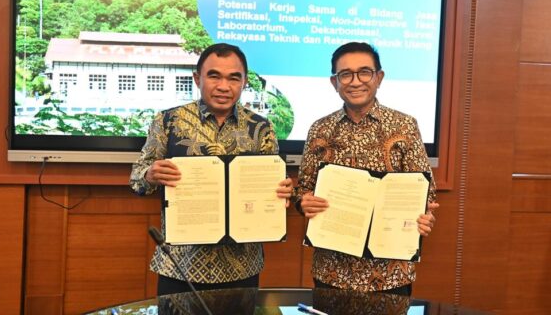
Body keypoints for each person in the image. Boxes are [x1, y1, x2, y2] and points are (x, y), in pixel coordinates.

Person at [130, 43, 293, 295]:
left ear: (244, 82)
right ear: (198, 78)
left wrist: (282, 191)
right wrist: (150, 174)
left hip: (243, 266)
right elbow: (137, 180)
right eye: (214, 76)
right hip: (180, 265)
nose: (223, 86)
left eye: (233, 78)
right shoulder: (168, 121)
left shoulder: (261, 127)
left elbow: (271, 184)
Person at [294, 42, 439, 296]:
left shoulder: (404, 126)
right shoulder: (320, 129)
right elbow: (303, 189)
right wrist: (303, 202)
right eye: (345, 74)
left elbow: (425, 192)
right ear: (334, 82)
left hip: (390, 273)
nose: (355, 82)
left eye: (364, 72)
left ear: (378, 77)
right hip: (332, 270)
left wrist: (425, 215)